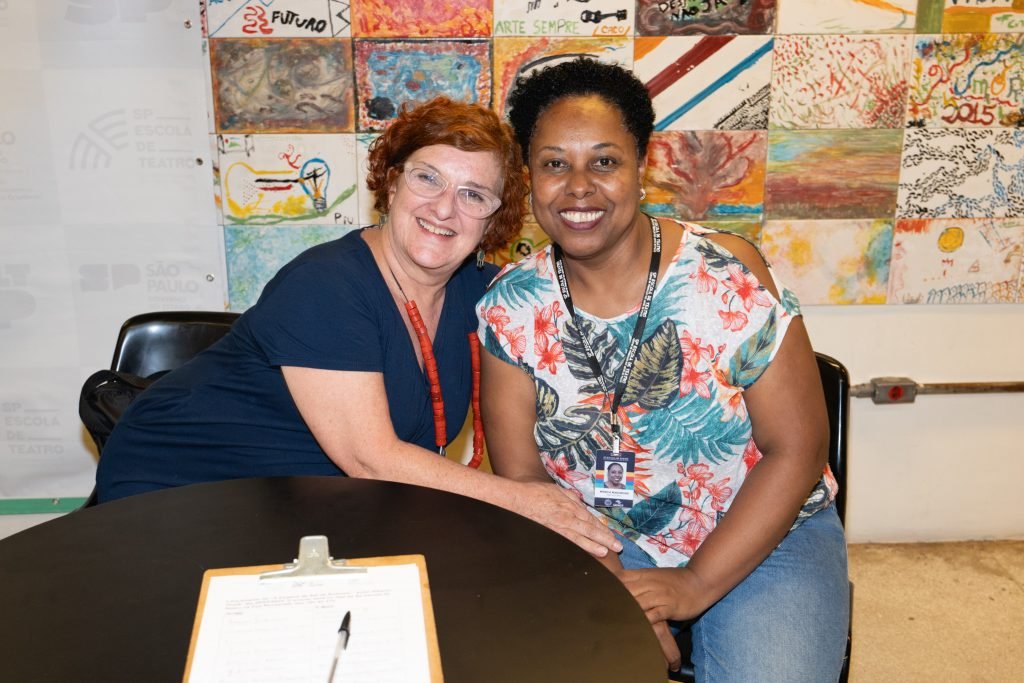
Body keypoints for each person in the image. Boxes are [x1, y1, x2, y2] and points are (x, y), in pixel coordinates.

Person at [95, 97, 619, 559]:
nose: (445, 207)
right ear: (392, 183)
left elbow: (577, 287)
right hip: (183, 493)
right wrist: (526, 499)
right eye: (427, 177)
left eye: (473, 194)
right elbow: (370, 457)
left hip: (309, 506)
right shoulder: (325, 285)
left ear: (494, 217)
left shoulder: (476, 291)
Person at [478, 59, 849, 680]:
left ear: (641, 166)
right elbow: (524, 477)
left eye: (604, 161)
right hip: (595, 542)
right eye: (553, 163)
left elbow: (799, 448)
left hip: (765, 527)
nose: (578, 186)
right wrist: (624, 594)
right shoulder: (510, 308)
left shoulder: (726, 276)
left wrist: (694, 584)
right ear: (529, 176)